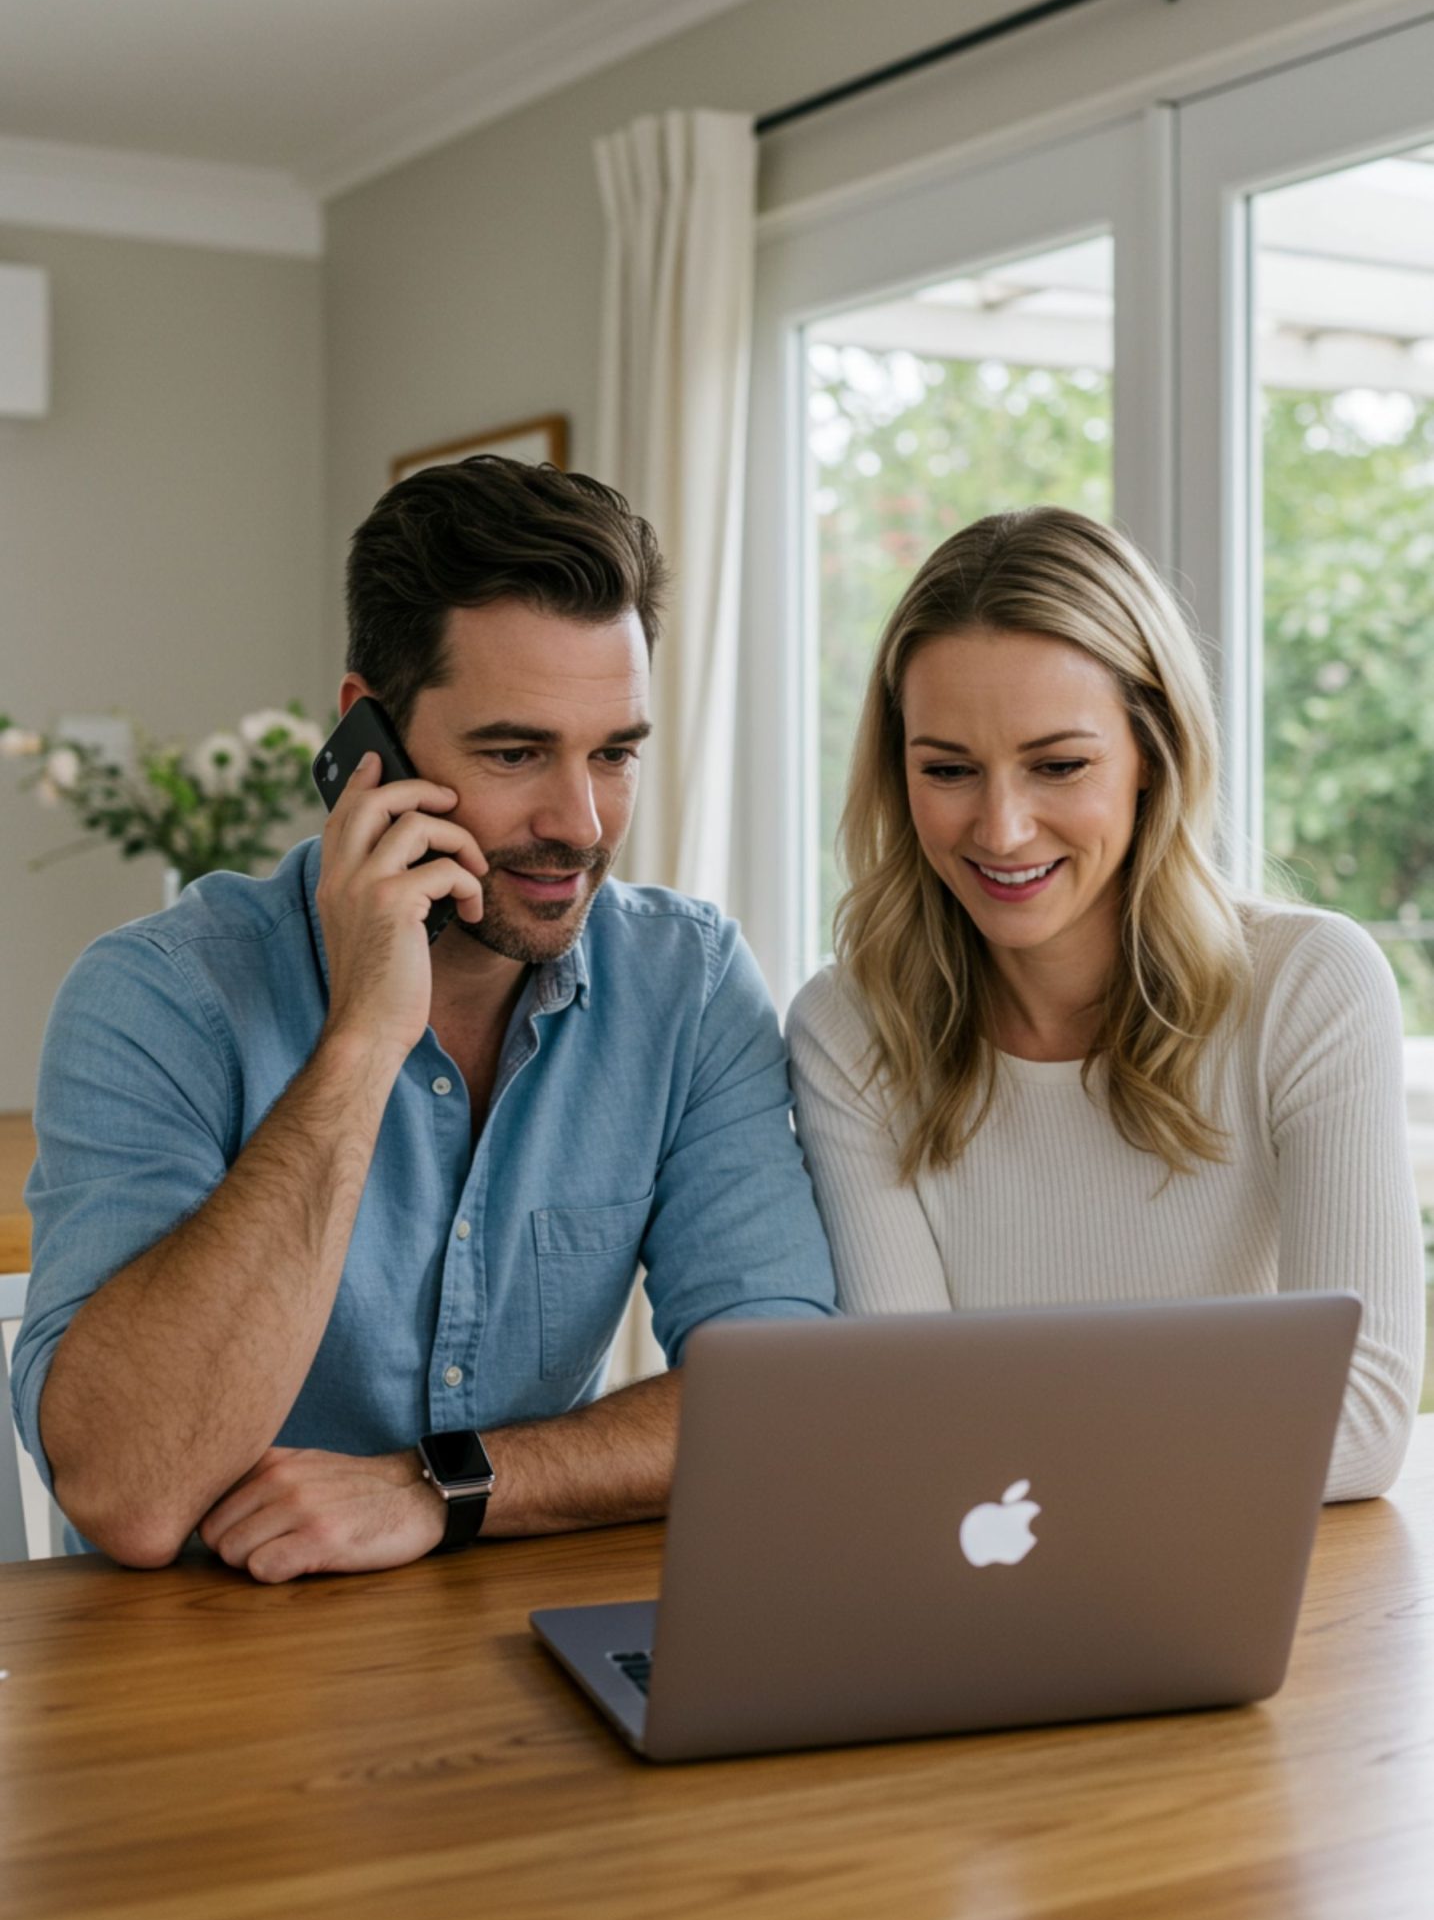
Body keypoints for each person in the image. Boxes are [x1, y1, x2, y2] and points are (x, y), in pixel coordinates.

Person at [12, 456, 835, 1578]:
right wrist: (359, 1044)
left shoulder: (683, 983)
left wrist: (441, 1483)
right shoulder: (159, 997)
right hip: (199, 1676)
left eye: (615, 753)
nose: (580, 822)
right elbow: (132, 1492)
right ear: (371, 737)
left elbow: (782, 1402)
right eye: (514, 751)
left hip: (509, 1652)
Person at [787, 506, 1423, 1502]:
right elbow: (906, 1415)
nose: (1000, 827)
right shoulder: (850, 1027)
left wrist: (1005, 1456)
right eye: (948, 768)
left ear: (1153, 754)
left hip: (1254, 1598)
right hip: (980, 1600)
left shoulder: (1310, 986)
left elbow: (1362, 1421)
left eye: (1058, 764)